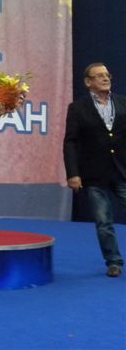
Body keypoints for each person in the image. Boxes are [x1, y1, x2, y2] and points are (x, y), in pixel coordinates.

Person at [64, 63, 126, 277]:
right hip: (93, 174)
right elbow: (70, 142)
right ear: (88, 82)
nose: (105, 78)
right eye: (99, 76)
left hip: (122, 170)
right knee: (103, 221)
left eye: (107, 75)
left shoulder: (122, 103)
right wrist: (73, 173)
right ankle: (114, 261)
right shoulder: (77, 108)